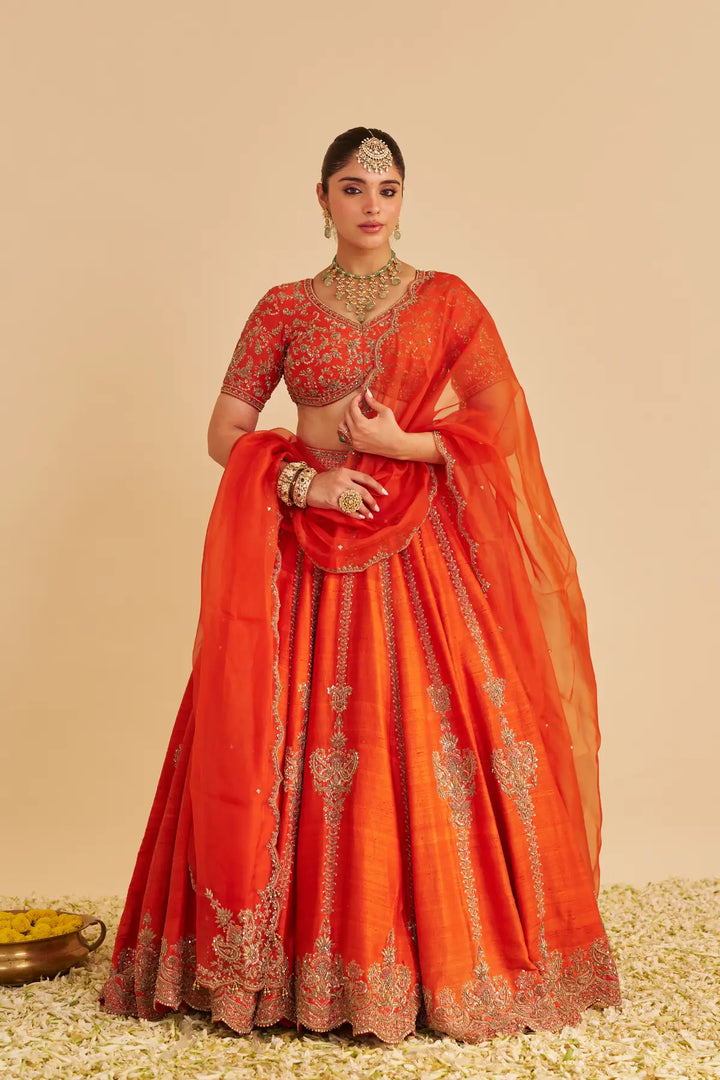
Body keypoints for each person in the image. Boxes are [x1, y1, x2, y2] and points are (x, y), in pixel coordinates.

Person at [98, 126, 621, 1044]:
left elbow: (499, 425)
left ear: (403, 198)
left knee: (426, 740)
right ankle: (281, 972)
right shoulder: (283, 308)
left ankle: (439, 966)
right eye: (352, 187)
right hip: (306, 551)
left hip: (422, 551)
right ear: (322, 198)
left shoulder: (448, 301)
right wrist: (307, 482)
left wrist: (397, 445)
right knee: (284, 741)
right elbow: (225, 433)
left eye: (386, 188)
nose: (371, 204)